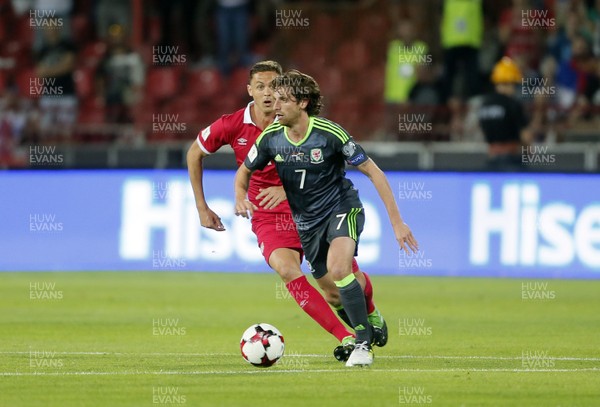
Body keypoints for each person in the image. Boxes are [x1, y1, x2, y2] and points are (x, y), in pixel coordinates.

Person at [187, 61, 386, 362]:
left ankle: (370, 314)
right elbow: (195, 153)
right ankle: (347, 337)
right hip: (268, 213)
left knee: (338, 284)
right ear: (249, 90)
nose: (268, 95)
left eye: (273, 87)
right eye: (261, 87)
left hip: (309, 204)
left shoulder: (298, 122)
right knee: (287, 269)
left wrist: (287, 189)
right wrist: (203, 206)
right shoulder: (233, 125)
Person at [234, 70, 419, 367]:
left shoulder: (330, 134)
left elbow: (374, 172)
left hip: (342, 207)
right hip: (307, 223)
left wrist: (397, 222)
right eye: (276, 99)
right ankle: (371, 315)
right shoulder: (271, 138)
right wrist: (240, 196)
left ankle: (362, 345)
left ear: (303, 103)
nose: (275, 106)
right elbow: (244, 171)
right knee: (334, 296)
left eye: (284, 100)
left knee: (339, 269)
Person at [478, 57, 533, 171]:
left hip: (491, 160)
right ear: (510, 83)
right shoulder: (512, 104)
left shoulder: (484, 104)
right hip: (512, 160)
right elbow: (525, 136)